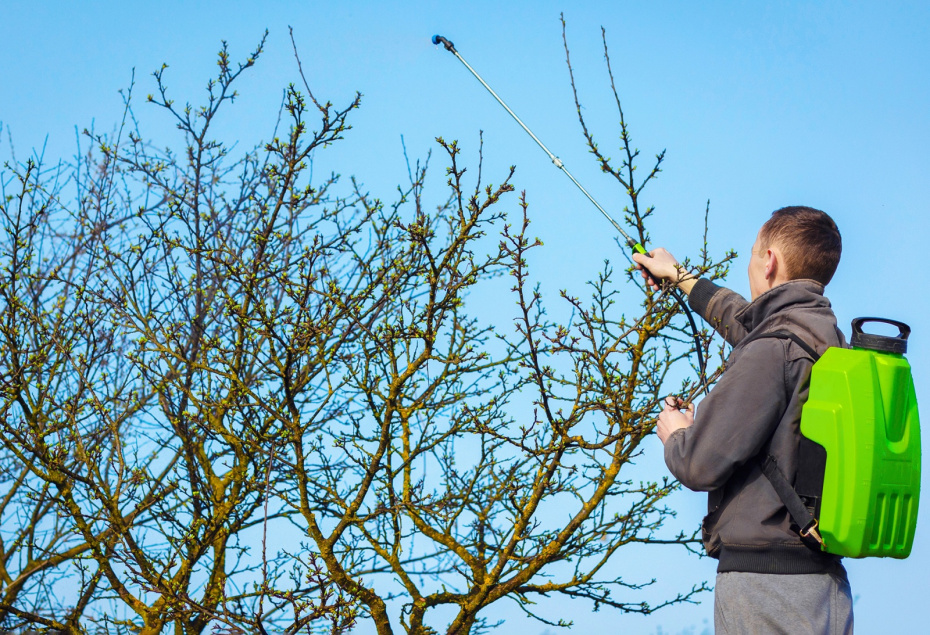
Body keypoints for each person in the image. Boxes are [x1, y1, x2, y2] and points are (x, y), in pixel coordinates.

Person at [632, 206, 854, 634]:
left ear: (768, 260)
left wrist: (678, 434)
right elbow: (750, 324)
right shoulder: (827, 340)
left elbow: (699, 463)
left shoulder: (773, 350)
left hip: (766, 586)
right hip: (825, 586)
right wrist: (679, 277)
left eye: (753, 254)